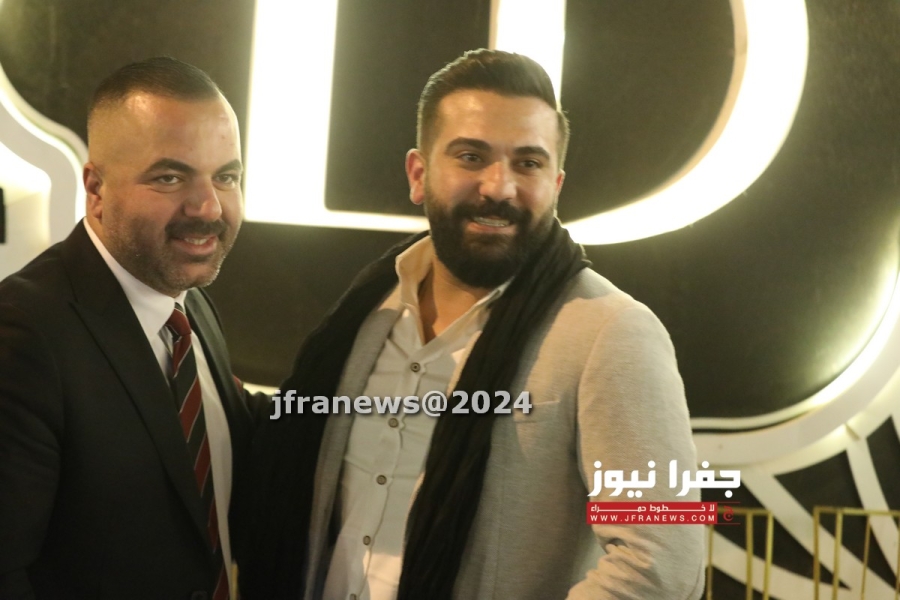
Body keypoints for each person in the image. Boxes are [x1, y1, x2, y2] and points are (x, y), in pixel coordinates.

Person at [244, 49, 704, 600]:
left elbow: (663, 559)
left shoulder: (613, 332)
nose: (499, 187)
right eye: (471, 156)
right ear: (419, 174)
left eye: (528, 164)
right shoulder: (368, 312)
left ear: (556, 184)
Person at [0, 57, 261, 600]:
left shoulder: (190, 306)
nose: (208, 207)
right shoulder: (23, 335)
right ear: (96, 188)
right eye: (170, 177)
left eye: (226, 177)